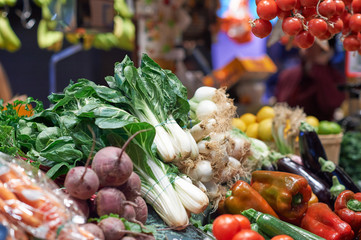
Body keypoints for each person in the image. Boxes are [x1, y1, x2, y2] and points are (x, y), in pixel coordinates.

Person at [274, 39, 346, 121]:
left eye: (312, 42)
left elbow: (330, 106)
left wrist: (319, 66)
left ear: (326, 50)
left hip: (322, 130)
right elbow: (281, 105)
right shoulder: (288, 75)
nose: (305, 46)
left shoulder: (335, 78)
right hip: (290, 129)